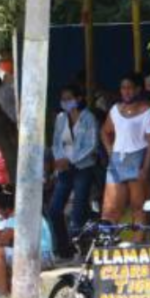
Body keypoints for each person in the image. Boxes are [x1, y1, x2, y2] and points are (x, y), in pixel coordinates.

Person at [0, 181, 54, 297]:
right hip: (44, 255)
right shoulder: (25, 212)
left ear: (7, 208)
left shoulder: (15, 216)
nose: (0, 213)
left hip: (40, 257)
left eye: (1, 210)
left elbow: (2, 241)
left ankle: (2, 291)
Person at [101, 74, 150, 240]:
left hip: (137, 158)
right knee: (110, 208)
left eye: (130, 88)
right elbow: (104, 132)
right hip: (117, 159)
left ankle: (137, 245)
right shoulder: (115, 109)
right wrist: (111, 151)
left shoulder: (148, 111)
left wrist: (145, 168)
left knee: (138, 206)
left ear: (138, 89)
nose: (126, 91)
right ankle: (108, 242)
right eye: (123, 88)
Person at [48, 84, 99, 259]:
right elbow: (56, 142)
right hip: (64, 168)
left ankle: (82, 249)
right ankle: (64, 248)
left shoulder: (88, 118)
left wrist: (71, 161)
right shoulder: (61, 118)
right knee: (54, 209)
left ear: (78, 98)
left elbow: (92, 145)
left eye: (69, 98)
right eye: (63, 99)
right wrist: (59, 159)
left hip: (82, 167)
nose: (65, 102)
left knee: (79, 210)